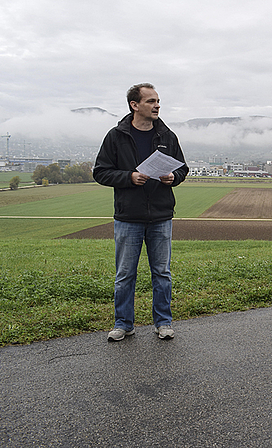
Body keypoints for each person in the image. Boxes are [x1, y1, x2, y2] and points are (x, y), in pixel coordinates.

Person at [93, 83, 189, 342]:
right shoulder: (116, 136)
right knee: (125, 274)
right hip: (128, 217)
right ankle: (124, 324)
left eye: (158, 101)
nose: (157, 105)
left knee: (162, 273)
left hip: (160, 215)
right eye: (150, 101)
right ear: (134, 106)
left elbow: (183, 169)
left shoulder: (167, 136)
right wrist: (129, 177)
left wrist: (173, 177)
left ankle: (163, 322)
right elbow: (100, 171)